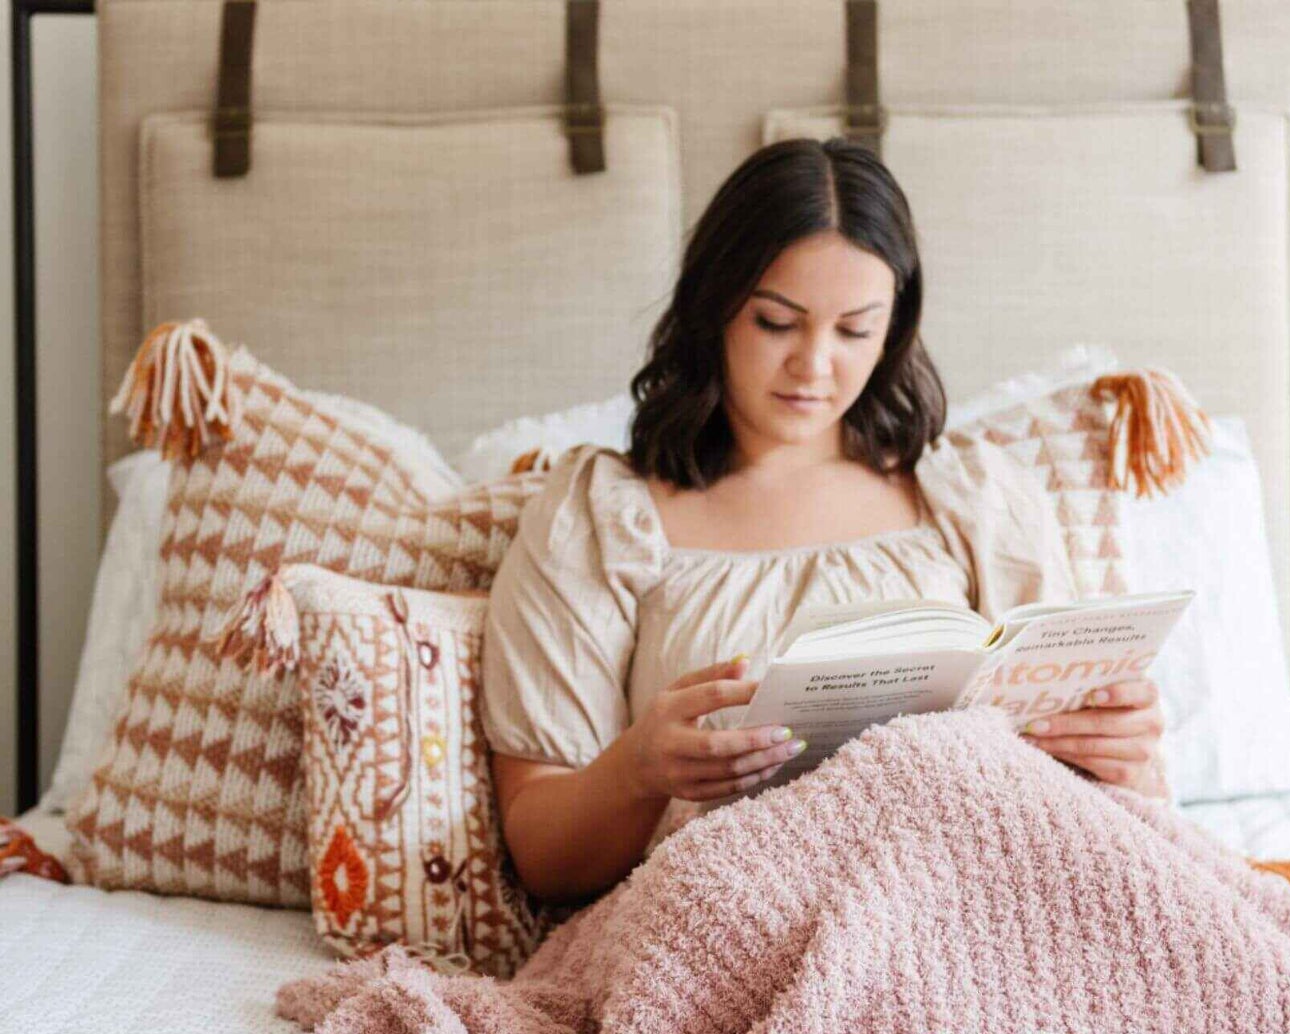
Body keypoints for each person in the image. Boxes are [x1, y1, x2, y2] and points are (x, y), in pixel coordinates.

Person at [481, 138, 1167, 906]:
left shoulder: (973, 496)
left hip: (969, 896)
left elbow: (1081, 807)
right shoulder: (599, 513)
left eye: (853, 331)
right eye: (777, 322)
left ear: (893, 328)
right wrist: (639, 767)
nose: (814, 366)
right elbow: (541, 855)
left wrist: (1122, 757)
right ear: (714, 309)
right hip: (730, 912)